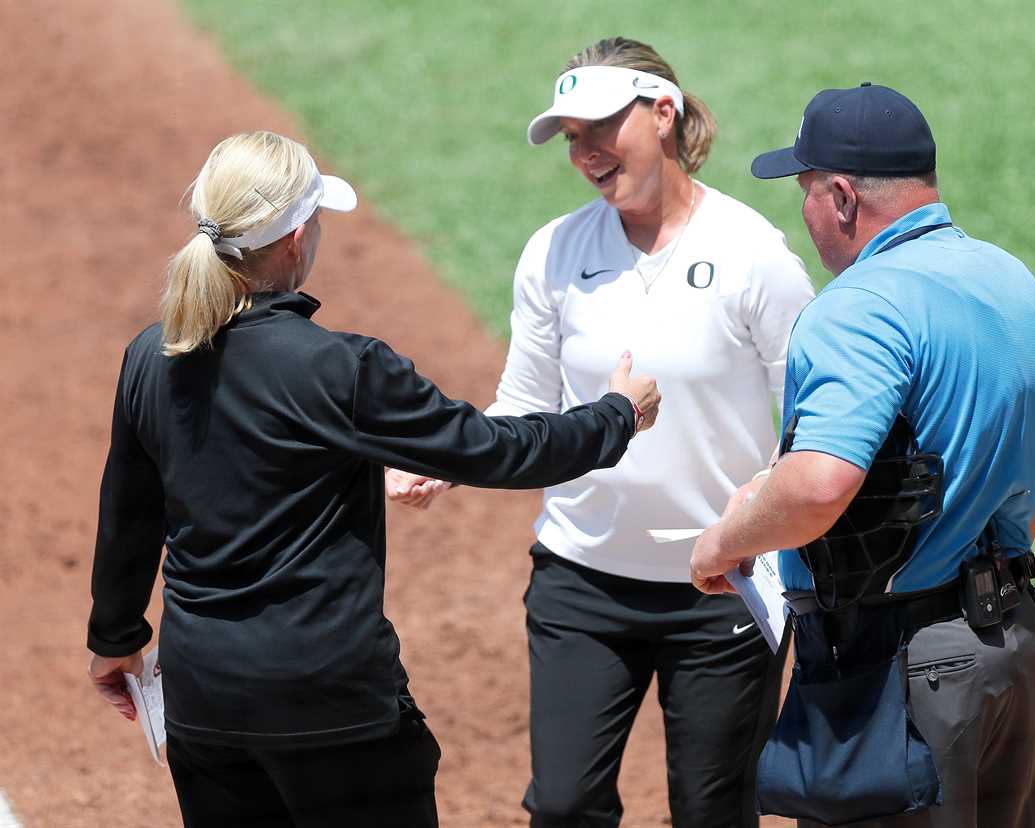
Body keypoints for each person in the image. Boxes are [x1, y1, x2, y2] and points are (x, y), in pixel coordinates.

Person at [86, 130, 660, 828]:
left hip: (205, 703)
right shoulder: (340, 368)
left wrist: (114, 638)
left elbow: (129, 512)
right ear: (297, 237)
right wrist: (615, 416)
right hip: (333, 707)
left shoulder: (152, 355)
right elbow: (499, 451)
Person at [387, 37, 814, 828]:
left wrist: (765, 518)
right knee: (563, 805)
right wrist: (445, 458)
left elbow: (811, 417)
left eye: (598, 129)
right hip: (582, 579)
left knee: (713, 811)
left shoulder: (755, 257)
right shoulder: (554, 253)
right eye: (571, 137)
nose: (583, 151)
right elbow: (524, 402)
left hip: (724, 584)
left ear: (663, 114)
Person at [691, 84, 1035, 827]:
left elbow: (819, 485)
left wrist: (723, 541)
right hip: (1017, 652)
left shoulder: (858, 306)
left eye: (803, 190)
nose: (802, 214)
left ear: (839, 196)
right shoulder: (1010, 278)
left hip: (903, 676)